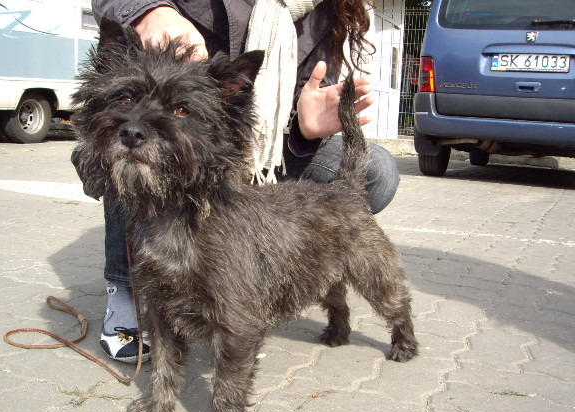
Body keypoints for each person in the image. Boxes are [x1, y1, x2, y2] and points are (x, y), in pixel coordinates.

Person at [83, 0, 402, 363]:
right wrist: (149, 11)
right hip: (188, 156)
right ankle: (126, 288)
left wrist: (303, 125)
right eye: (125, 98)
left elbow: (287, 103)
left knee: (376, 169)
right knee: (129, 165)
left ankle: (270, 273)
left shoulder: (333, 12)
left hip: (266, 152)